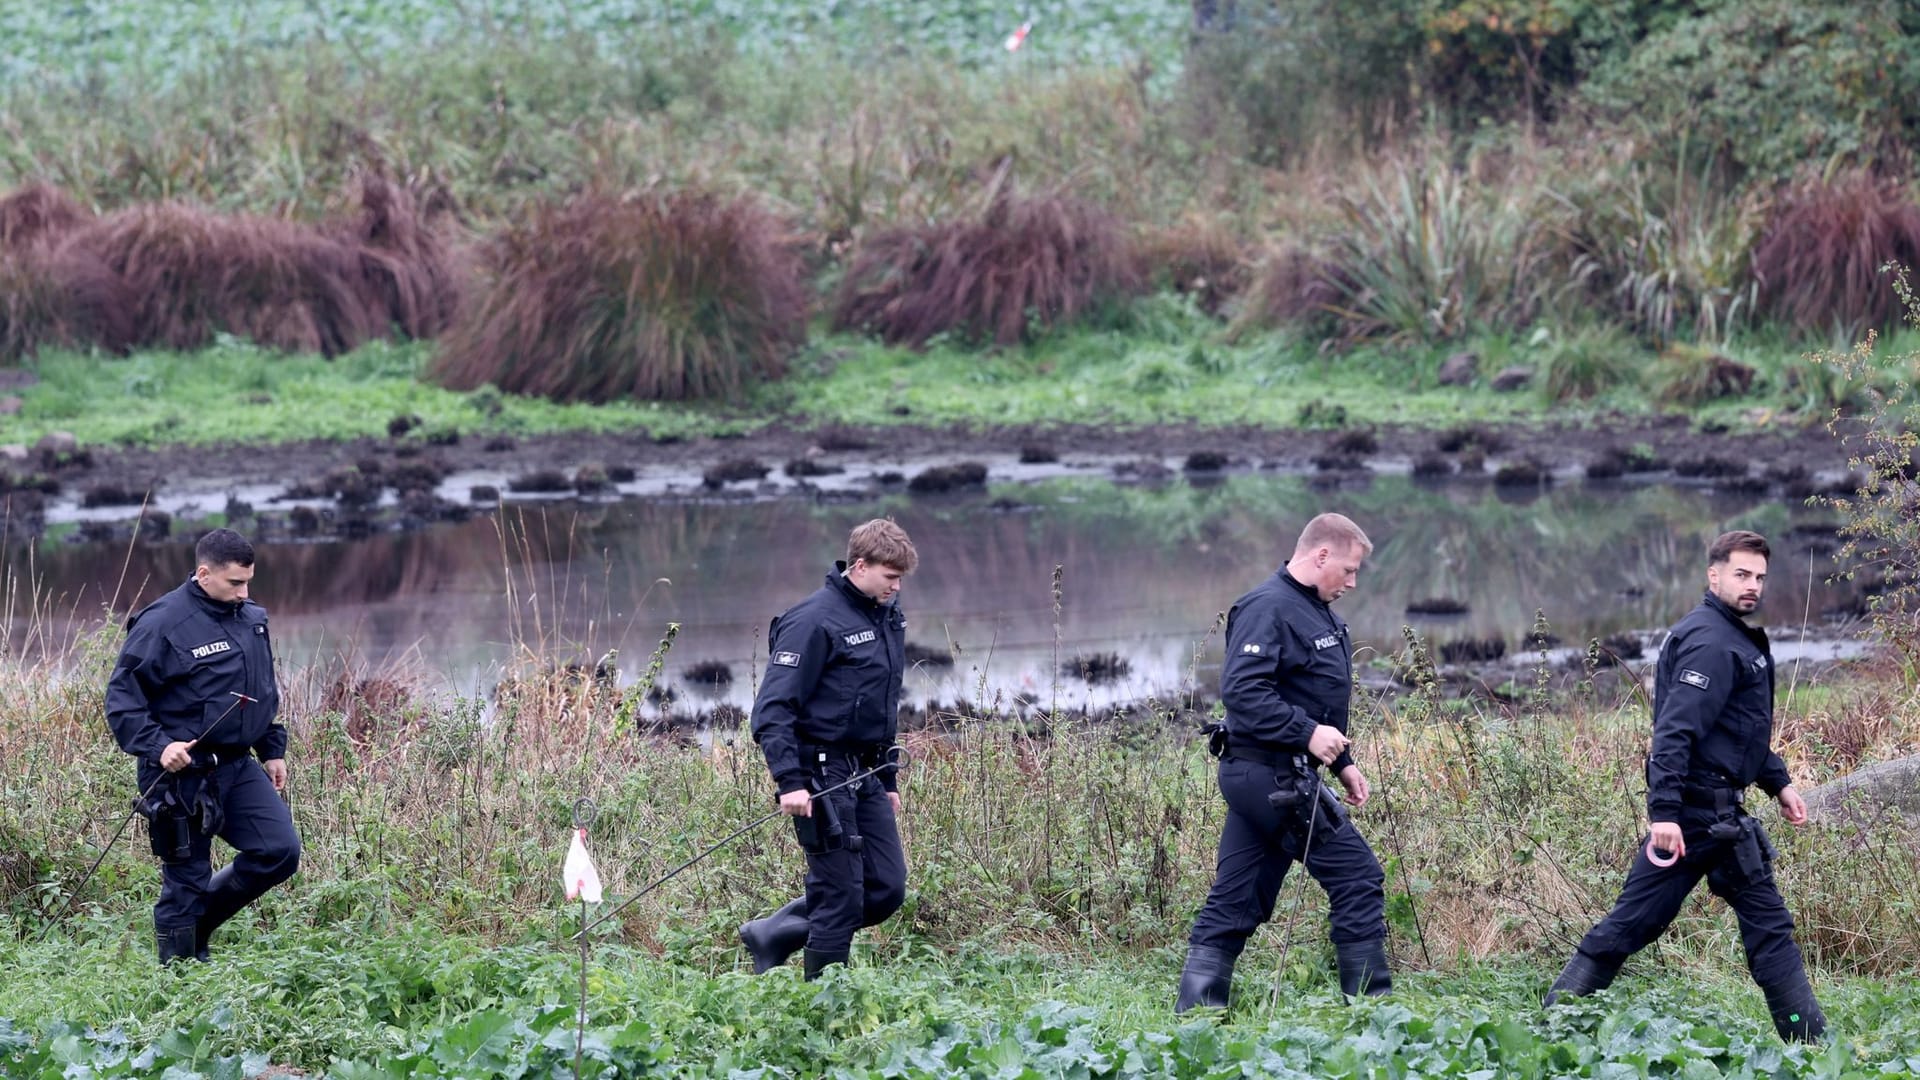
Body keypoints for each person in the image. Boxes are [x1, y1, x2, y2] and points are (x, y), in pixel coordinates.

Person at [1546, 530, 1825, 1041]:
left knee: (1768, 929)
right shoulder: (1712, 643)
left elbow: (1737, 731)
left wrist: (1778, 783)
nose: (1752, 587)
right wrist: (1665, 815)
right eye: (1742, 575)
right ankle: (1553, 1025)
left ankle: (1810, 1046)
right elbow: (1674, 734)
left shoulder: (1732, 637)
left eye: (1760, 577)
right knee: (1632, 925)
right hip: (1694, 818)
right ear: (1713, 574)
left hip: (1722, 820)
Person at [1176, 512, 1390, 1012]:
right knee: (1357, 876)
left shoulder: (1317, 611)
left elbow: (1312, 697)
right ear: (1321, 556)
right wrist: (1307, 733)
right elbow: (1244, 692)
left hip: (1271, 774)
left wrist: (1343, 763)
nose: (1353, 582)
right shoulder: (1267, 607)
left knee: (1238, 898)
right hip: (1268, 775)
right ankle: (1375, 1016)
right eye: (1349, 570)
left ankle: (1197, 1019)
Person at [105, 528, 299, 965]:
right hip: (179, 775)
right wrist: (158, 747)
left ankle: (197, 930)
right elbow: (121, 701)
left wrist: (272, 747)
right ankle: (178, 975)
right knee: (187, 879)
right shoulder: (162, 623)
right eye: (235, 583)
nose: (244, 592)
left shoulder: (252, 619)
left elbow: (261, 691)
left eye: (249, 581)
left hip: (237, 766)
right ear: (204, 572)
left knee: (279, 851)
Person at [739, 519, 914, 978]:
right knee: (839, 895)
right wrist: (789, 782)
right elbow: (772, 710)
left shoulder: (886, 617)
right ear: (860, 565)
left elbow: (880, 704)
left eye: (900, 579)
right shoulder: (812, 621)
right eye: (889, 577)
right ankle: (822, 1010)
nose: (896, 587)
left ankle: (775, 933)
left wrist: (887, 776)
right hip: (818, 775)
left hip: (864, 773)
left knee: (885, 888)